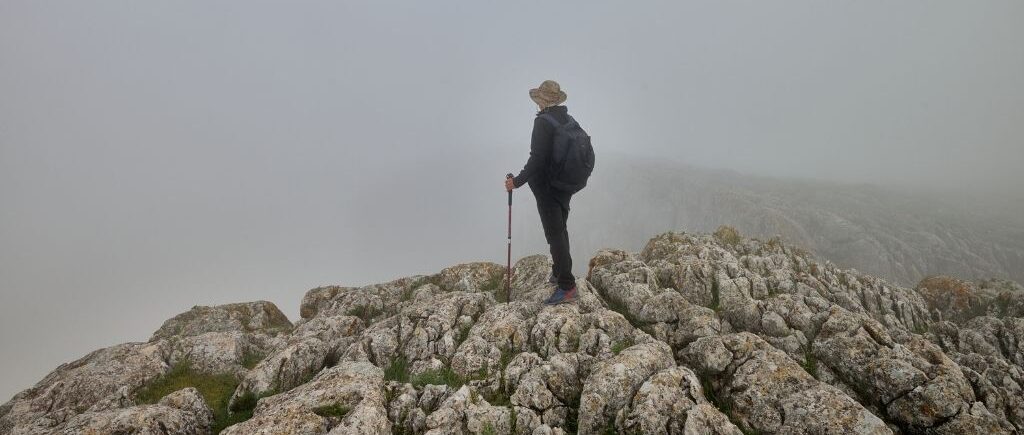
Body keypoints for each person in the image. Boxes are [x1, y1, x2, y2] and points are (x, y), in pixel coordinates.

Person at [505, 80, 579, 305]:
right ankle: (559, 272)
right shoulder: (566, 118)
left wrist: (516, 182)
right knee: (560, 229)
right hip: (565, 185)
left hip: (548, 187)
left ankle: (567, 286)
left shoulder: (543, 123)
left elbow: (536, 159)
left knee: (554, 234)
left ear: (541, 101)